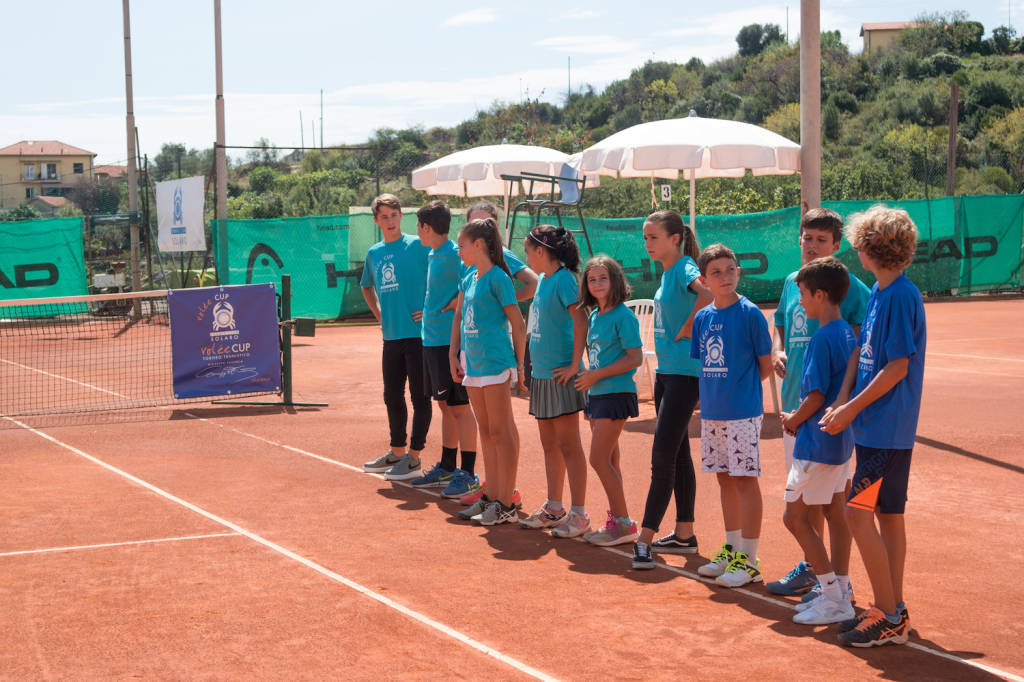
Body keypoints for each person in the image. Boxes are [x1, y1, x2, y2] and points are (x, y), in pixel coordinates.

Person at [820, 205, 925, 647]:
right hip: (878, 429)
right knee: (888, 516)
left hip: (885, 430)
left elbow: (897, 366)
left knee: (856, 514)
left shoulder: (899, 295)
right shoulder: (883, 292)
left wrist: (849, 409)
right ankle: (892, 607)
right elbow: (866, 357)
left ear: (870, 247)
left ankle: (889, 612)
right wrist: (845, 401)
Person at [767, 207, 870, 598]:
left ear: (837, 245)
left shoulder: (848, 287)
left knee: (825, 500)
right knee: (814, 499)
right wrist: (778, 350)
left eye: (820, 240)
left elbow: (859, 343)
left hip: (821, 411)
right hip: (797, 406)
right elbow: (780, 321)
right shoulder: (795, 281)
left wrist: (843, 398)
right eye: (807, 238)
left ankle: (832, 581)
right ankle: (820, 574)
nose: (811, 246)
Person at [779, 257, 858, 625]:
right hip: (840, 443)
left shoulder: (821, 338)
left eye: (804, 294)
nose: (800, 302)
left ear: (821, 295)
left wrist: (792, 420)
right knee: (834, 511)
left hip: (816, 443)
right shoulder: (845, 332)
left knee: (793, 518)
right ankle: (841, 592)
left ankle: (831, 594)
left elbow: (813, 397)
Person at [632, 211, 713, 570]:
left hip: (684, 375)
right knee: (678, 456)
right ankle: (684, 534)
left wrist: (689, 326)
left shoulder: (684, 267)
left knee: (661, 457)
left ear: (675, 238)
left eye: (653, 237)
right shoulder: (669, 272)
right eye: (646, 237)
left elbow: (709, 293)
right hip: (667, 373)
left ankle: (644, 540)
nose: (647, 244)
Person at [690, 243, 772, 587]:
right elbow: (705, 364)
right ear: (705, 280)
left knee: (744, 480)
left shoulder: (751, 313)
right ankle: (732, 549)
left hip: (742, 413)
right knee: (724, 477)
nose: (725, 277)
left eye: (730, 269)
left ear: (738, 271)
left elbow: (765, 367)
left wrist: (740, 392)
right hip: (713, 412)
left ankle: (749, 560)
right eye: (716, 272)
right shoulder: (702, 318)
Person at [455, 202, 538, 507]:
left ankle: (505, 502)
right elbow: (463, 319)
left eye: (462, 245)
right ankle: (491, 496)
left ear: (478, 245)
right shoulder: (472, 276)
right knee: (487, 432)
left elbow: (518, 322)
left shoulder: (500, 278)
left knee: (501, 432)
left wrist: (519, 364)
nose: (458, 250)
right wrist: (455, 353)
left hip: (496, 363)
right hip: (475, 365)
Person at [518, 225, 591, 538]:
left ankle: (579, 514)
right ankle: (554, 507)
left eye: (527, 250)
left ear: (541, 251)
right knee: (550, 445)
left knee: (569, 445)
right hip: (542, 375)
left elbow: (581, 319)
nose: (526, 257)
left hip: (562, 375)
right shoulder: (545, 280)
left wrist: (574, 364)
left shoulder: (563, 280)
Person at [408, 200, 480, 499]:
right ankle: (448, 466)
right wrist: (433, 310)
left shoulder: (455, 254)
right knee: (445, 406)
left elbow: (475, 279)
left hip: (450, 344)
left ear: (426, 227)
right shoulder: (435, 253)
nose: (417, 231)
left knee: (461, 408)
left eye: (418, 226)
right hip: (431, 340)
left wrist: (457, 303)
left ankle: (469, 473)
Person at [359, 194, 432, 481]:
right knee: (392, 396)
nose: (390, 221)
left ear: (402, 216)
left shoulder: (419, 245)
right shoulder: (374, 253)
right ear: (376, 220)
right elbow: (367, 286)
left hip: (419, 336)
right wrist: (379, 315)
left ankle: (414, 457)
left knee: (419, 396)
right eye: (384, 216)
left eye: (394, 215)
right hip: (391, 337)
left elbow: (440, 278)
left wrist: (429, 309)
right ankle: (397, 451)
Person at [575, 256, 643, 547]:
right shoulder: (594, 316)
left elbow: (634, 358)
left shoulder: (623, 316)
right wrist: (591, 384)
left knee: (598, 459)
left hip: (616, 393)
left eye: (603, 278)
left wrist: (595, 375)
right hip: (598, 394)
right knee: (611, 459)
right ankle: (617, 520)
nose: (598, 284)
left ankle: (625, 524)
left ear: (615, 280)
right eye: (592, 279)